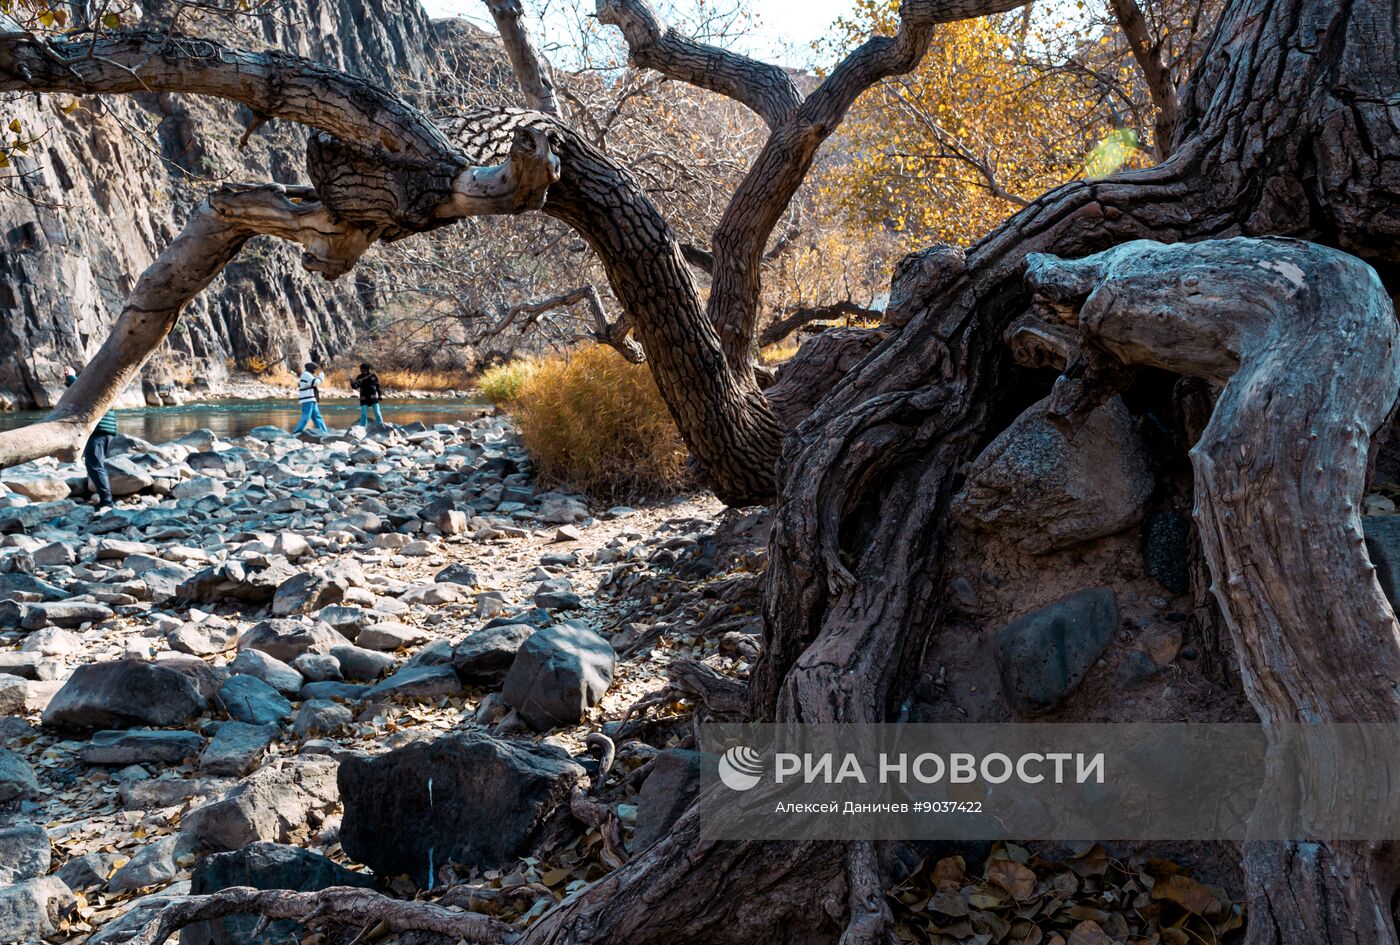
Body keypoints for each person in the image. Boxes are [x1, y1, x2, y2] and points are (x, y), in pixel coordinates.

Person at [66, 370, 116, 508]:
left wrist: (70, 377)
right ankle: (105, 498)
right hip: (104, 430)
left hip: (98, 430)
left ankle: (107, 501)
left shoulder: (97, 386)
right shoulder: (106, 384)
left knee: (95, 466)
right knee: (95, 465)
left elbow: (83, 391)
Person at [292, 361, 328, 433]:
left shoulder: (307, 374)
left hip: (311, 399)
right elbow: (315, 383)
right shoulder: (306, 374)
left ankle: (324, 432)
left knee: (317, 417)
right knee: (306, 417)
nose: (315, 371)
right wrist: (321, 375)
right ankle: (296, 432)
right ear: (311, 369)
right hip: (308, 400)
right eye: (314, 369)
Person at [349, 362, 384, 428]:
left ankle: (381, 426)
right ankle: (362, 428)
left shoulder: (373, 376)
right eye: (361, 369)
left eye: (364, 369)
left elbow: (377, 386)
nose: (363, 371)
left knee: (377, 413)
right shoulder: (359, 377)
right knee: (363, 414)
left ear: (367, 369)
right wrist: (351, 382)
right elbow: (355, 386)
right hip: (364, 398)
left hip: (373, 397)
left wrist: (379, 395)